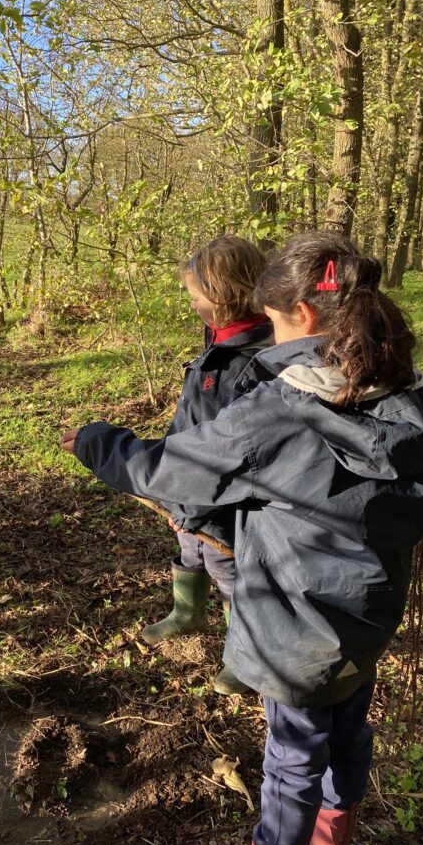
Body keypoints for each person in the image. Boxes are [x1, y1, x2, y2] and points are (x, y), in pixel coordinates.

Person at [61, 231, 423, 845]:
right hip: (368, 616)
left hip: (292, 624)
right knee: (348, 729)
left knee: (292, 755)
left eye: (273, 325)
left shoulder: (281, 407)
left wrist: (98, 442)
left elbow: (168, 471)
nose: (270, 344)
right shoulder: (416, 397)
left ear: (301, 315)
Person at [141, 236, 272, 699]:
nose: (191, 303)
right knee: (190, 548)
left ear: (223, 295)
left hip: (220, 497)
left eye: (195, 295)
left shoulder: (251, 360)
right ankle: (187, 612)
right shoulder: (219, 341)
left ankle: (244, 655)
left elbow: (232, 451)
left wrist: (191, 500)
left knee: (229, 569)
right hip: (189, 486)